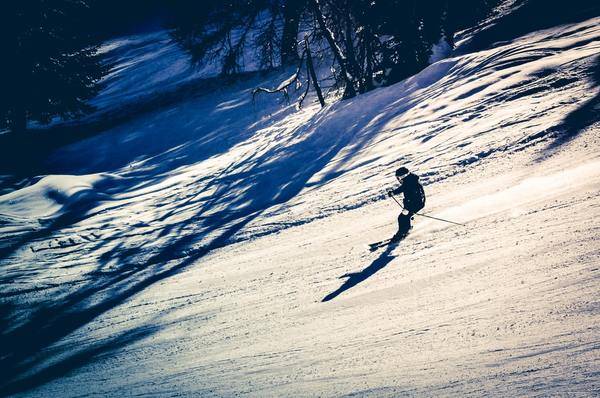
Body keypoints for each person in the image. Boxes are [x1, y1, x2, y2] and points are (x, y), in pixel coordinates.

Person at [387, 167, 425, 242]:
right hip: (414, 203)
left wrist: (408, 207)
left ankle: (402, 233)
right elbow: (404, 188)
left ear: (404, 176)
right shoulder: (410, 180)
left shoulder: (411, 183)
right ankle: (406, 230)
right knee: (404, 217)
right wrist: (393, 192)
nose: (399, 179)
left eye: (400, 177)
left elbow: (407, 190)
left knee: (402, 217)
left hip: (416, 204)